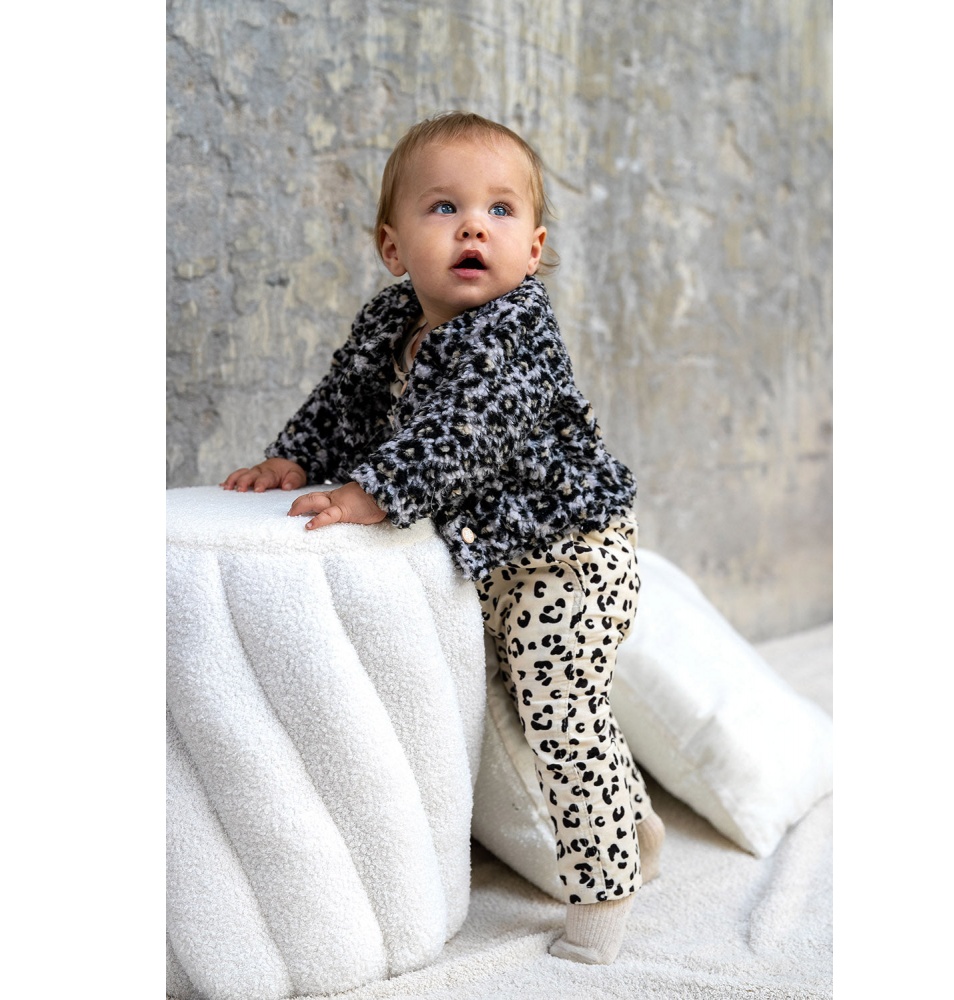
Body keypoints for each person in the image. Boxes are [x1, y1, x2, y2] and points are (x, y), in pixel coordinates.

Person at [221, 111, 665, 965]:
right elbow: (344, 401)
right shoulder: (391, 321)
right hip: (492, 558)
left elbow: (468, 430)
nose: (472, 227)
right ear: (393, 248)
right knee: (499, 720)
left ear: (533, 250)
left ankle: (604, 897)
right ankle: (628, 829)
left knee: (563, 718)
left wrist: (373, 493)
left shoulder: (516, 332)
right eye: (443, 208)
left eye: (500, 210)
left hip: (569, 558)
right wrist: (295, 457)